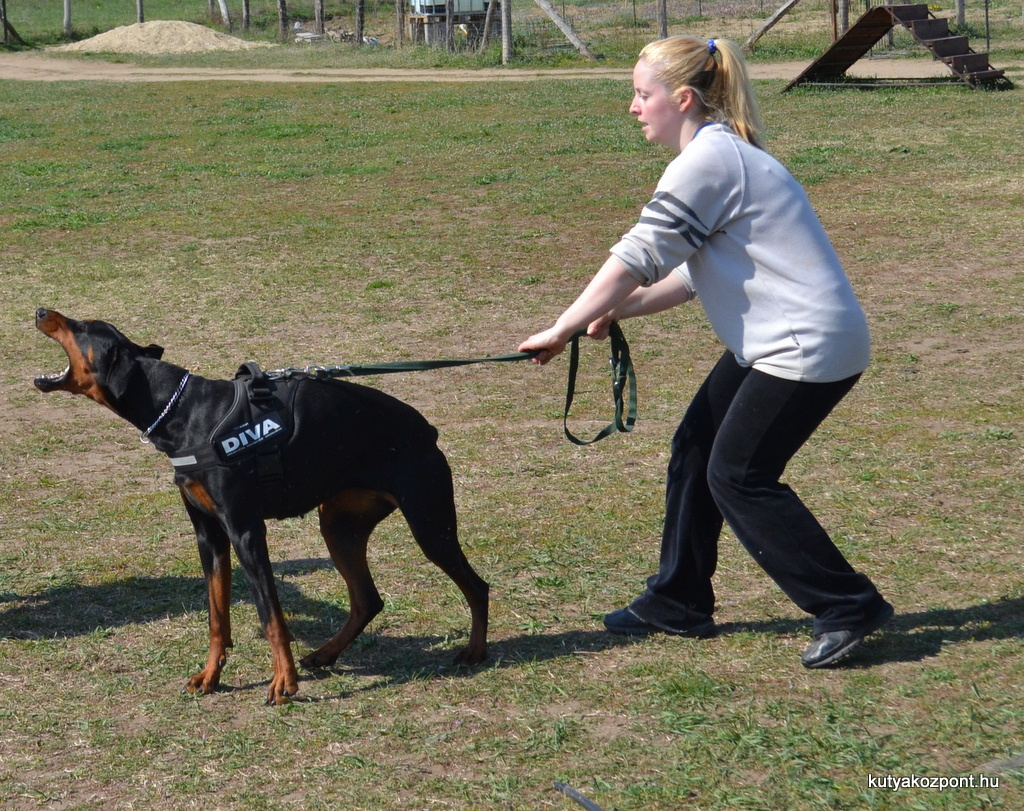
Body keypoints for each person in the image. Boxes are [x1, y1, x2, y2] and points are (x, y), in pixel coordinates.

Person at [518, 35, 893, 669]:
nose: (634, 108)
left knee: (739, 475)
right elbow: (693, 274)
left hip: (804, 348)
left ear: (683, 98)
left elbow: (637, 255)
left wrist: (562, 327)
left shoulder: (711, 160)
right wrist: (616, 309)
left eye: (643, 95)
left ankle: (846, 603)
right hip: (777, 344)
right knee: (696, 449)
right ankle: (679, 599)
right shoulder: (719, 154)